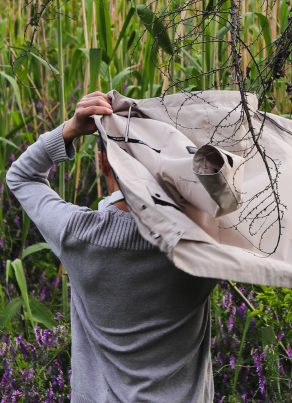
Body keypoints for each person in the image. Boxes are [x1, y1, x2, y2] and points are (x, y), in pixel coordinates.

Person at [6, 91, 217, 403]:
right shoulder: (204, 239)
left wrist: (71, 129)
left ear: (103, 161)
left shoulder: (78, 233)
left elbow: (21, 177)